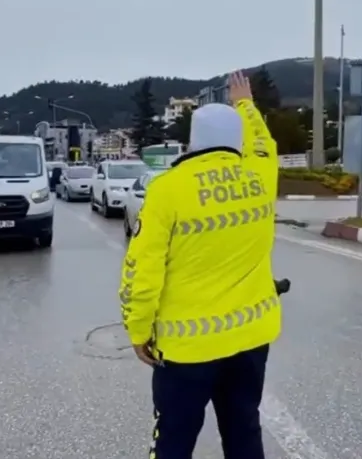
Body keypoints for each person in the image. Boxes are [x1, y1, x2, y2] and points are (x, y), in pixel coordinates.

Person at [119, 70, 280, 459]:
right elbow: (264, 143)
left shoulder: (167, 189)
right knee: (244, 432)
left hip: (187, 349)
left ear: (193, 141)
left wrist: (138, 329)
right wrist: (246, 104)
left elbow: (142, 272)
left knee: (174, 441)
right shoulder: (261, 175)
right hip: (251, 338)